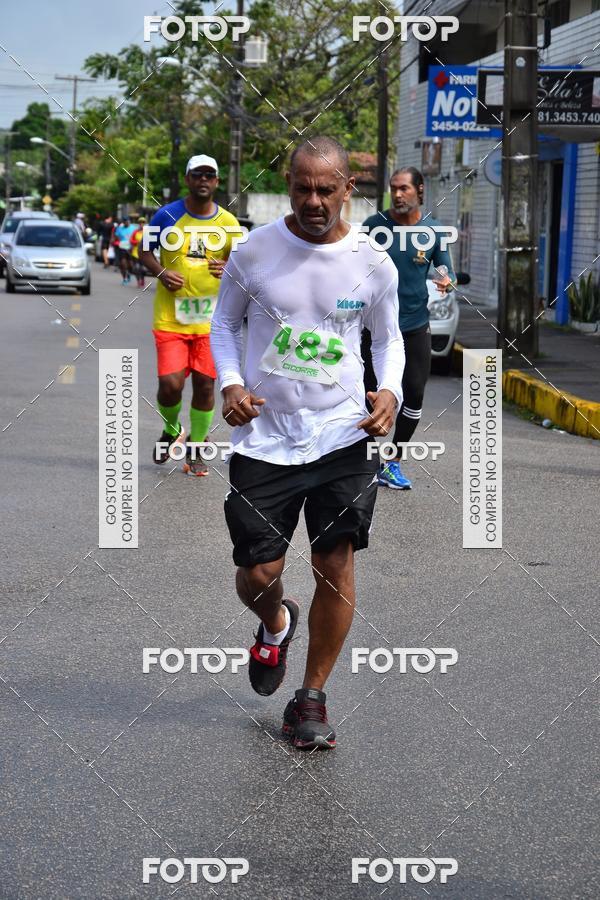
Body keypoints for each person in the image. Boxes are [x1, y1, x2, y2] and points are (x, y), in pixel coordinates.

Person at [210, 136, 405, 750]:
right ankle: (275, 622)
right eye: (302, 188)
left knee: (335, 564)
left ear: (349, 188)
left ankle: (311, 697)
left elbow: (387, 340)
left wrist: (390, 391)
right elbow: (223, 323)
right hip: (264, 436)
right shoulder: (254, 251)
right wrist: (231, 382)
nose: (314, 201)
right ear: (288, 186)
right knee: (258, 570)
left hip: (341, 434)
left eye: (326, 189)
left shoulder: (372, 261)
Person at [139, 154, 241, 476]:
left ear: (217, 181)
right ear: (187, 179)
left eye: (209, 175)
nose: (203, 180)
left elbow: (244, 265)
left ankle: (196, 447)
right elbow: (144, 251)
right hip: (170, 318)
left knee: (205, 386)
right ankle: (172, 429)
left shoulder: (229, 223)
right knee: (170, 384)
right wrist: (161, 272)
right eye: (197, 175)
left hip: (211, 322)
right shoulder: (165, 215)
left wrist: (228, 268)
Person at [361, 166, 456, 490]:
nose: (398, 194)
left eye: (404, 188)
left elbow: (444, 268)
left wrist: (446, 279)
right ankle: (363, 462)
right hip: (374, 328)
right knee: (366, 395)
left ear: (420, 190)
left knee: (414, 395)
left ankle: (392, 462)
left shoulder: (433, 230)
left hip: (415, 326)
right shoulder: (374, 227)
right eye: (394, 188)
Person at [114, 216, 136, 285]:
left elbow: (136, 237)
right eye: (125, 221)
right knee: (123, 264)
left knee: (131, 265)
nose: (126, 222)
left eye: (127, 221)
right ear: (123, 222)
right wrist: (117, 242)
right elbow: (116, 237)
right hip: (122, 248)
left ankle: (129, 273)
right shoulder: (119, 229)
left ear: (129, 221)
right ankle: (124, 278)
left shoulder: (133, 228)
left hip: (130, 248)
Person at [130, 216, 146, 287]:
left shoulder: (147, 232)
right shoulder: (135, 232)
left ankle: (142, 279)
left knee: (142, 268)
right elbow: (131, 240)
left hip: (144, 253)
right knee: (136, 268)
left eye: (143, 222)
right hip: (135, 252)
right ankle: (138, 280)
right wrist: (136, 242)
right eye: (140, 222)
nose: (141, 224)